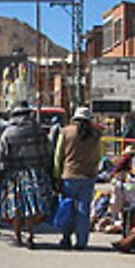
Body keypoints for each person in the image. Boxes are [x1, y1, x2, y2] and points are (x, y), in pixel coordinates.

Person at [0, 101, 55, 248]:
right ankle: (30, 235)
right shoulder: (39, 131)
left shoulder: (8, 133)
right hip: (36, 175)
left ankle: (17, 236)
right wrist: (48, 173)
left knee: (16, 209)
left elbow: (1, 158)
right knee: (31, 208)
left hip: (14, 176)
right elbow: (48, 153)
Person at [53, 105, 102, 250]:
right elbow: (98, 156)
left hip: (69, 175)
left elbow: (58, 155)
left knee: (67, 207)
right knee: (83, 210)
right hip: (88, 176)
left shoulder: (66, 132)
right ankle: (81, 241)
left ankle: (66, 238)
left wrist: (56, 175)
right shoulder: (96, 134)